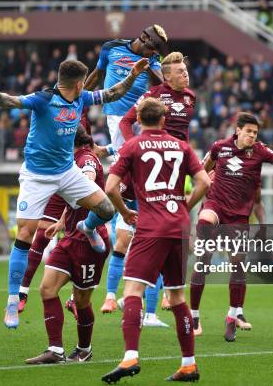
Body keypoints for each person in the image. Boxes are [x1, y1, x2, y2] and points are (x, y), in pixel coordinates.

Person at [0, 57, 149, 329]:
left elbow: (114, 93)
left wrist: (133, 75)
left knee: (105, 208)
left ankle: (88, 228)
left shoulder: (80, 99)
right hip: (37, 176)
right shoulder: (44, 99)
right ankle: (13, 299)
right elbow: (12, 102)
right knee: (25, 234)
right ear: (79, 83)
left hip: (67, 172)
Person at [101, 98, 211, 383]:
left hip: (150, 226)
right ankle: (189, 364)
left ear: (138, 119)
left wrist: (126, 212)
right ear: (164, 120)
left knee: (134, 290)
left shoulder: (133, 145)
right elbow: (205, 182)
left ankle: (130, 358)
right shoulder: (182, 146)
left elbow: (110, 186)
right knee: (176, 296)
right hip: (179, 226)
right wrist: (185, 206)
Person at [190, 112, 273, 341]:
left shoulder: (260, 152)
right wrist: (203, 177)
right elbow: (200, 170)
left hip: (239, 216)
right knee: (204, 227)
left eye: (255, 132)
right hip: (215, 205)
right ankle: (194, 316)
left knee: (238, 265)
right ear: (237, 130)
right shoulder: (220, 147)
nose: (252, 135)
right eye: (248, 131)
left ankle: (232, 316)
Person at [104, 51, 197, 326]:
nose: (185, 74)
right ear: (167, 76)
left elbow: (185, 135)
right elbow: (124, 121)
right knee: (136, 222)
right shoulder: (154, 96)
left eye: (186, 70)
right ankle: (93, 228)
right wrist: (136, 147)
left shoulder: (191, 97)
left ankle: (155, 295)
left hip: (177, 165)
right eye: (180, 71)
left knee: (173, 230)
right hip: (151, 163)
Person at [84, 25, 168, 323]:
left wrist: (152, 68)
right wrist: (80, 95)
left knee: (138, 160)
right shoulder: (111, 47)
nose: (153, 55)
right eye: (152, 50)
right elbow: (96, 74)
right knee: (129, 163)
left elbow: (162, 85)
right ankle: (106, 216)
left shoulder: (153, 60)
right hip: (118, 115)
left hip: (142, 114)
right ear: (144, 40)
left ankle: (107, 214)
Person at [25, 126, 109, 364]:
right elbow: (74, 195)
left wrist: (82, 179)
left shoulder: (87, 158)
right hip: (70, 236)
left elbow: (88, 181)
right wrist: (62, 222)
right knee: (47, 289)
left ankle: (84, 349)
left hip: (89, 240)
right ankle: (55, 350)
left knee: (82, 301)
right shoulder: (70, 159)